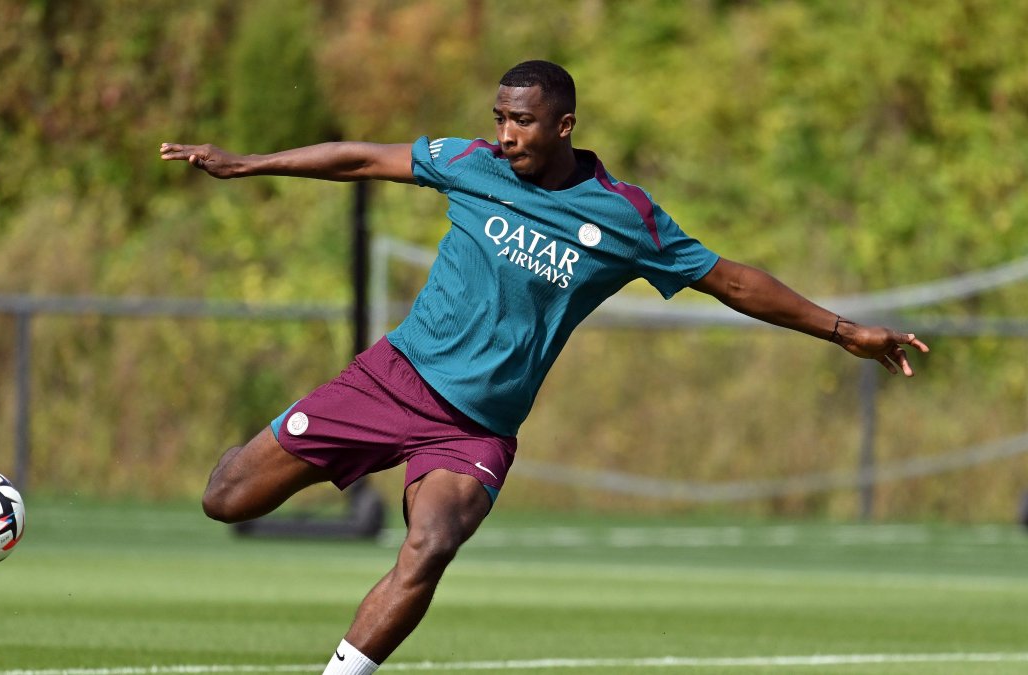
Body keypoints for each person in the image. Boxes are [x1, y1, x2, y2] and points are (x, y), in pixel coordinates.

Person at [160, 60, 928, 674]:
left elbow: (728, 279)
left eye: (520, 120)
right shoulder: (469, 164)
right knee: (226, 499)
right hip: (389, 379)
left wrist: (842, 329)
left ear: (564, 125)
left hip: (474, 429)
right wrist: (248, 163)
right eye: (498, 116)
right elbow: (362, 156)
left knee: (430, 545)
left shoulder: (625, 216)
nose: (504, 133)